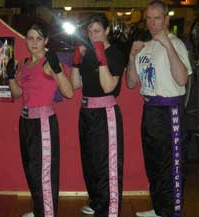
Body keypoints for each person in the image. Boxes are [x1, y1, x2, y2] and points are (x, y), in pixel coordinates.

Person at [126, 1, 192, 217]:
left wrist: (168, 46)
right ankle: (159, 208)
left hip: (169, 110)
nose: (152, 23)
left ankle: (172, 212)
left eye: (157, 18)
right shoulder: (146, 46)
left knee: (170, 165)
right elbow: (131, 83)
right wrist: (132, 56)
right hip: (150, 110)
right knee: (153, 164)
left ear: (166, 19)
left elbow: (182, 79)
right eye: (149, 18)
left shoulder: (176, 44)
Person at [7, 23, 73, 217]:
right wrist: (10, 76)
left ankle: (47, 213)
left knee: (44, 174)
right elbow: (18, 93)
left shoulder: (48, 62)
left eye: (38, 38)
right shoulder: (26, 63)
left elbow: (68, 92)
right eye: (30, 38)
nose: (34, 42)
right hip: (25, 122)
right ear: (25, 40)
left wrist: (57, 69)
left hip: (43, 122)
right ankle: (40, 211)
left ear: (45, 41)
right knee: (32, 171)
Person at [70, 14, 126, 217]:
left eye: (97, 31)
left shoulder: (115, 54)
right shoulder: (89, 53)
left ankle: (109, 210)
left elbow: (109, 86)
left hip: (105, 114)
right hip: (86, 112)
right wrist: (76, 63)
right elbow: (76, 85)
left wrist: (102, 58)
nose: (93, 36)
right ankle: (97, 201)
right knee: (90, 161)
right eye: (90, 32)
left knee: (106, 164)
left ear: (107, 30)